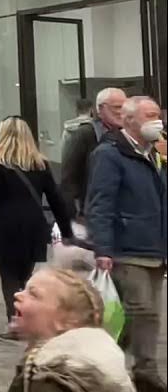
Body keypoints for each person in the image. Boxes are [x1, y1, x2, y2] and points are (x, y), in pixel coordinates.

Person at [86, 96, 166, 392]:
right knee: (140, 310)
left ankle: (110, 359)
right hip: (127, 247)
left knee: (146, 315)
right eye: (149, 116)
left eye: (158, 115)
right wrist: (103, 248)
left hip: (154, 248)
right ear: (129, 120)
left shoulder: (155, 152)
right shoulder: (110, 154)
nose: (156, 121)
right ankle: (143, 370)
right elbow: (101, 203)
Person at [0, 116, 74, 340]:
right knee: (25, 276)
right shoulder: (40, 163)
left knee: (9, 278)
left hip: (7, 225)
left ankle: (16, 322)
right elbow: (56, 199)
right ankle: (29, 320)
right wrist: (66, 231)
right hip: (34, 225)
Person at [6, 268, 134, 392]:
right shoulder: (87, 363)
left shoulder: (55, 378)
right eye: (24, 289)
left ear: (67, 320)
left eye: (33, 294)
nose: (17, 294)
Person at [61, 87, 126, 219]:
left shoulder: (129, 134)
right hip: (95, 213)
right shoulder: (85, 134)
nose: (121, 112)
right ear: (100, 109)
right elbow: (69, 178)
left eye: (124, 107)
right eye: (116, 107)